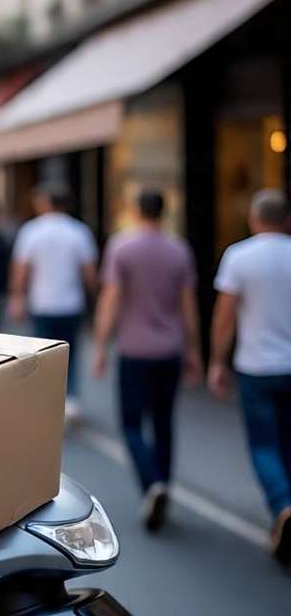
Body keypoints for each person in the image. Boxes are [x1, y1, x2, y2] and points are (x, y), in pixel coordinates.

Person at [91, 189, 202, 531]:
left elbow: (111, 298)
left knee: (131, 423)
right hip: (169, 350)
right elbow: (188, 305)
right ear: (164, 212)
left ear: (138, 211)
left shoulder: (122, 247)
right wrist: (194, 350)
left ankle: (151, 483)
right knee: (164, 422)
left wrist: (100, 345)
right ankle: (163, 485)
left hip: (134, 350)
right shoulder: (179, 250)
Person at [209, 189, 291, 564]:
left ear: (254, 220)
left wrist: (216, 362)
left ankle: (282, 505)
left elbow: (225, 316)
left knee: (263, 445)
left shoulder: (239, 256)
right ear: (286, 220)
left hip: (256, 365)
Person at [9, 184, 98, 422]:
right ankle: (71, 401)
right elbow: (89, 271)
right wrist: (94, 299)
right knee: (72, 352)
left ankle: (45, 400)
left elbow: (21, 269)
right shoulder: (79, 231)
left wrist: (18, 298)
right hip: (71, 303)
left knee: (44, 355)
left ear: (45, 202)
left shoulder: (32, 231)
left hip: (42, 304)